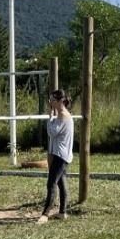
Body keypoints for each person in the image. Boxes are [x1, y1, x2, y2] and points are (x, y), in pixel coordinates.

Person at [38, 89, 74, 224]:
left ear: (60, 101)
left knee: (51, 183)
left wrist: (50, 118)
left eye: (52, 100)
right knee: (61, 182)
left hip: (60, 156)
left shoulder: (63, 116)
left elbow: (52, 132)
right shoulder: (61, 115)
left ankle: (45, 214)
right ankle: (62, 212)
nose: (50, 103)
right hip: (61, 154)